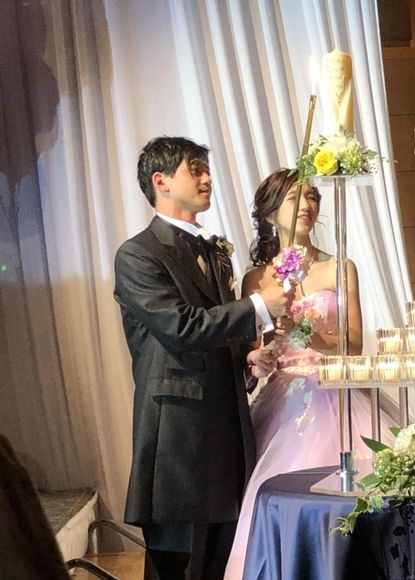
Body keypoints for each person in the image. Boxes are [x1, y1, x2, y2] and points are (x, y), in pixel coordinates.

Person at [114, 137, 294, 580]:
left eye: (206, 169)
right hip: (179, 440)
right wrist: (258, 306)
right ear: (161, 181)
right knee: (180, 567)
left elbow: (219, 334)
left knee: (222, 562)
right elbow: (181, 326)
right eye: (194, 169)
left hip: (227, 431)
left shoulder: (216, 254)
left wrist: (249, 360)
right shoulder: (138, 254)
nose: (207, 178)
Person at [224, 168, 395, 579]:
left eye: (313, 197)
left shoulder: (339, 267)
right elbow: (252, 350)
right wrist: (260, 357)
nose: (308, 205)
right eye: (295, 198)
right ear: (270, 213)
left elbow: (352, 344)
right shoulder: (256, 279)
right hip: (282, 397)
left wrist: (306, 332)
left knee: (357, 492)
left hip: (336, 391)